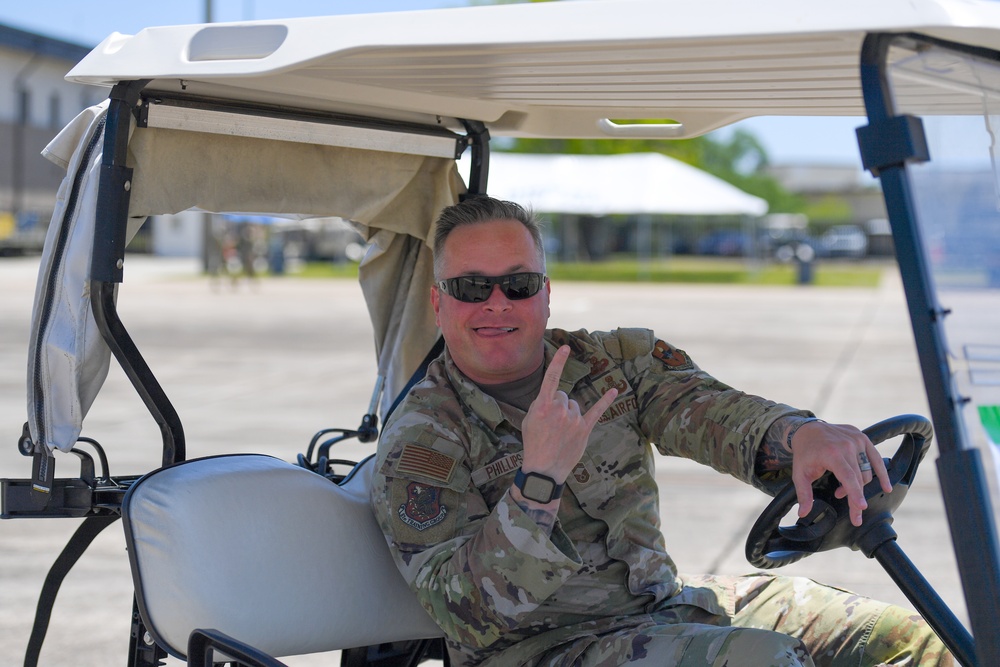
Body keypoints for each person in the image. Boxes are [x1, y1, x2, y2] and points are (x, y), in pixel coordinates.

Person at [370, 196, 952, 667]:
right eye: (472, 288)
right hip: (539, 649)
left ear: (545, 295)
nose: (496, 304)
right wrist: (537, 483)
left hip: (665, 607)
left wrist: (799, 435)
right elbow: (463, 612)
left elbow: (712, 411)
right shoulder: (423, 440)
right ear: (438, 303)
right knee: (766, 662)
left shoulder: (612, 366)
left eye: (517, 285)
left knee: (910, 638)